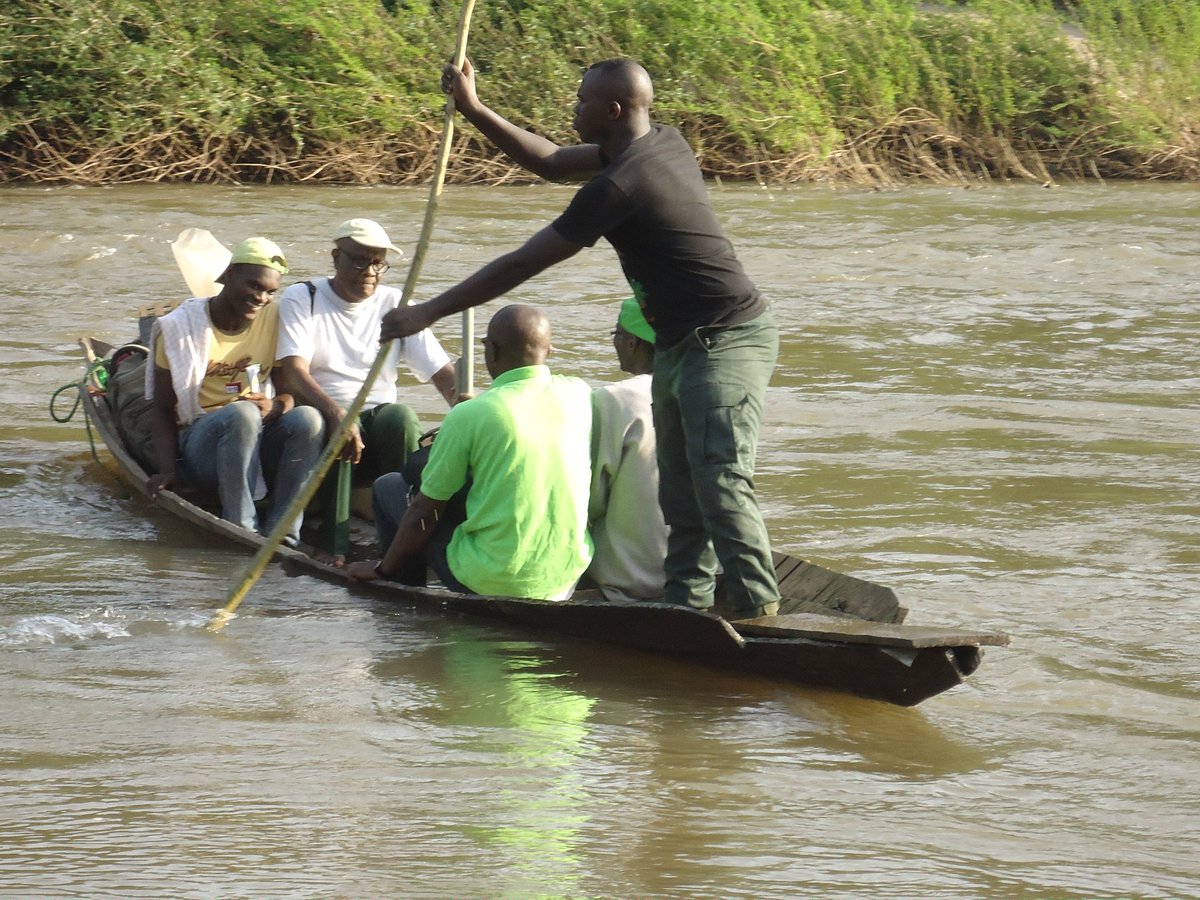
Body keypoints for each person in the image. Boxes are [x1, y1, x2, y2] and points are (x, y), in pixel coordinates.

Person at [379, 57, 781, 619]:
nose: (573, 107)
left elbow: (522, 263)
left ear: (612, 110)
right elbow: (547, 161)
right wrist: (473, 109)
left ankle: (758, 610)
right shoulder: (661, 142)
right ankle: (686, 606)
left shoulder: (621, 184)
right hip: (680, 343)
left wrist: (427, 312)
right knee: (680, 490)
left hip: (728, 338)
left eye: (582, 99)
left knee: (719, 479)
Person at [347, 304, 593, 602]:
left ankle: (402, 594)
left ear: (491, 351)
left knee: (389, 487)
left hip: (493, 580)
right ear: (549, 351)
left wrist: (381, 570)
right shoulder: (579, 394)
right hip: (565, 577)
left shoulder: (472, 414)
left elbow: (424, 510)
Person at [275, 217, 459, 563]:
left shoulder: (395, 303)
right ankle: (333, 545)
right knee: (342, 427)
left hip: (376, 422)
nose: (370, 271)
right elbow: (294, 372)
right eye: (359, 260)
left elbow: (440, 371)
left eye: (378, 263)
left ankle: (399, 540)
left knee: (402, 417)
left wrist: (468, 408)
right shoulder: (304, 297)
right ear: (336, 257)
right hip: (323, 415)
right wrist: (336, 412)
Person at [146, 237, 324, 546]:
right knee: (242, 414)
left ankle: (284, 533)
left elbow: (286, 393)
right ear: (228, 276)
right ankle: (242, 529)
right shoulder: (178, 328)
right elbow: (162, 409)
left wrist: (275, 407)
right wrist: (167, 470)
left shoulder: (275, 318)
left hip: (257, 430)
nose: (261, 298)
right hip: (202, 440)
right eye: (254, 286)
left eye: (270, 291)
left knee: (309, 419)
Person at [586, 297, 667, 602]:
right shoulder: (700, 390)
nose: (615, 343)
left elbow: (589, 499)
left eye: (616, 335)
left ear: (632, 342)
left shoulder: (614, 399)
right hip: (698, 574)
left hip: (632, 581)